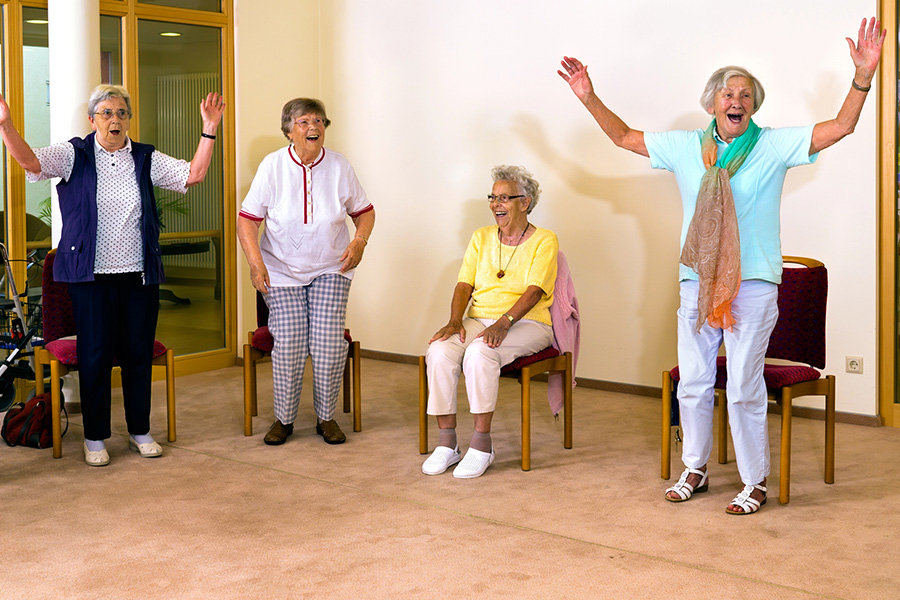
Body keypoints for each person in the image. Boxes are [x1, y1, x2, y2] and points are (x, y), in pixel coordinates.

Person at [558, 17, 885, 514]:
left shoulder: (773, 145)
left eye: (746, 96)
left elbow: (840, 128)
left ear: (754, 107)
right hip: (697, 281)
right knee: (692, 381)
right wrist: (587, 94)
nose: (737, 101)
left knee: (743, 385)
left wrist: (862, 77)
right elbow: (624, 136)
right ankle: (696, 467)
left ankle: (754, 481)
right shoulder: (688, 147)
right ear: (711, 103)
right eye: (728, 94)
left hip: (752, 285)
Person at [0, 84, 225, 467]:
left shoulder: (145, 157)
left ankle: (140, 430)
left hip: (139, 273)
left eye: (121, 113)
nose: (114, 119)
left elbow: (194, 174)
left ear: (128, 120)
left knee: (138, 352)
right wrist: (5, 126)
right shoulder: (75, 154)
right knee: (95, 355)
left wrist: (209, 129)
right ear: (92, 119)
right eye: (106, 112)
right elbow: (31, 163)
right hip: (90, 276)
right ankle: (95, 437)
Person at [237, 98, 374, 447]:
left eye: (318, 121)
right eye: (303, 121)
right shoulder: (273, 166)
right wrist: (256, 264)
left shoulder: (340, 166)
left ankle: (326, 417)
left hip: (331, 266)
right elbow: (248, 220)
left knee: (328, 342)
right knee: (291, 342)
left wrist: (359, 242)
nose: (313, 127)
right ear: (288, 130)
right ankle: (284, 419)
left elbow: (365, 212)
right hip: (281, 270)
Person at [423, 165, 558, 479]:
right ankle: (447, 443)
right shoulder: (481, 237)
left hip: (529, 322)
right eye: (492, 197)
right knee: (441, 350)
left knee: (480, 352)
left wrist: (504, 321)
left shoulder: (546, 240)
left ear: (524, 202)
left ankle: (482, 445)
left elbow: (535, 291)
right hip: (479, 318)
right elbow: (463, 285)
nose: (496, 204)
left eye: (504, 198)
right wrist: (455, 321)